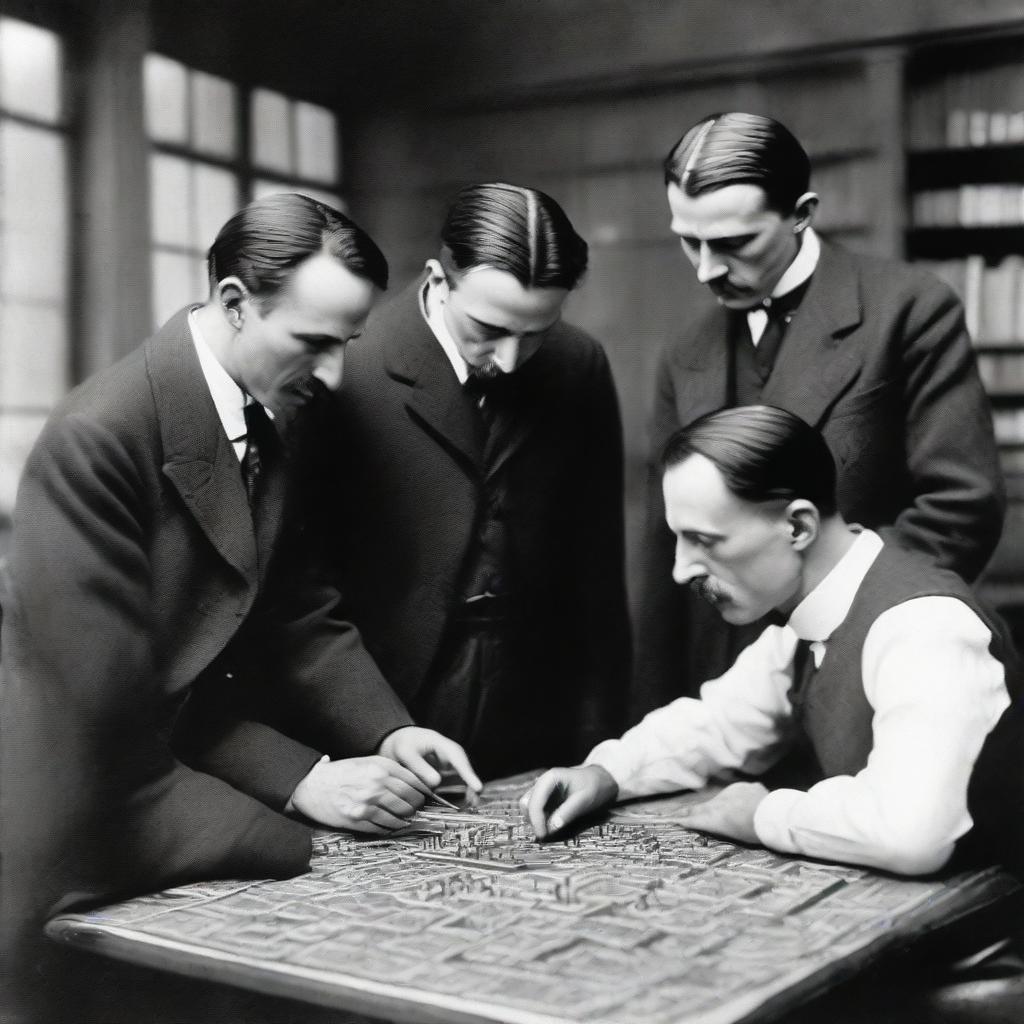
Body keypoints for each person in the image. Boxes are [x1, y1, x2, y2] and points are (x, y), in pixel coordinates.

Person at [0, 193, 480, 1024]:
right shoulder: (98, 437)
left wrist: (387, 731)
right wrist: (306, 781)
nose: (333, 373)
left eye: (347, 344)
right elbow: (111, 710)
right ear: (233, 303)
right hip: (77, 802)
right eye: (313, 343)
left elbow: (294, 609)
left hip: (172, 763)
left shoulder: (270, 410)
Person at [525, 406, 1022, 877]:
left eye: (706, 540)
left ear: (798, 525)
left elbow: (911, 834)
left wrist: (763, 813)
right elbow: (718, 723)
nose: (680, 570)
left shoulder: (923, 627)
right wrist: (606, 772)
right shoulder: (809, 621)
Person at [634, 111, 1004, 716]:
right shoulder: (685, 351)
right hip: (721, 692)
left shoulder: (908, 310)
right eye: (689, 240)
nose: (706, 269)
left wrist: (830, 628)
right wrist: (653, 714)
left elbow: (960, 506)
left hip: (862, 672)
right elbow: (662, 552)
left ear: (802, 212)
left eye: (733, 243)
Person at [322, 182, 631, 779]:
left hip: (539, 710)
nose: (511, 360)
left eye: (536, 332)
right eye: (488, 328)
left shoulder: (579, 363)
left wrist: (600, 745)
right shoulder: (349, 364)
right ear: (439, 281)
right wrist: (373, 728)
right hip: (389, 709)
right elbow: (310, 584)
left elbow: (596, 571)